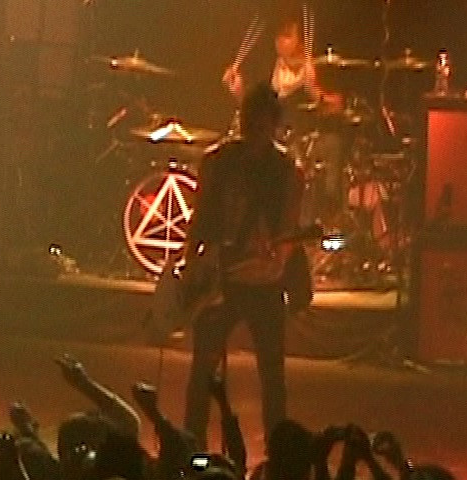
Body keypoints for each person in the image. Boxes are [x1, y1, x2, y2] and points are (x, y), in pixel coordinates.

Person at [181, 83, 303, 450]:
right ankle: (191, 448)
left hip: (264, 283)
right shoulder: (217, 162)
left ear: (274, 125)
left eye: (263, 125)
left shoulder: (287, 170)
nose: (256, 133)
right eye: (252, 124)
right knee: (203, 369)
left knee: (272, 374)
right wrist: (191, 265)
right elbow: (200, 219)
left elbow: (289, 227)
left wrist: (277, 260)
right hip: (222, 279)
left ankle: (278, 454)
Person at [222, 8, 345, 223]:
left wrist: (314, 90)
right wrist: (238, 92)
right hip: (273, 138)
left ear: (302, 42)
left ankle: (320, 216)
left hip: (305, 138)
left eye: (287, 36)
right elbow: (256, 109)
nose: (280, 41)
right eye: (278, 36)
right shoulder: (268, 67)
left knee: (328, 148)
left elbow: (337, 107)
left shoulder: (319, 66)